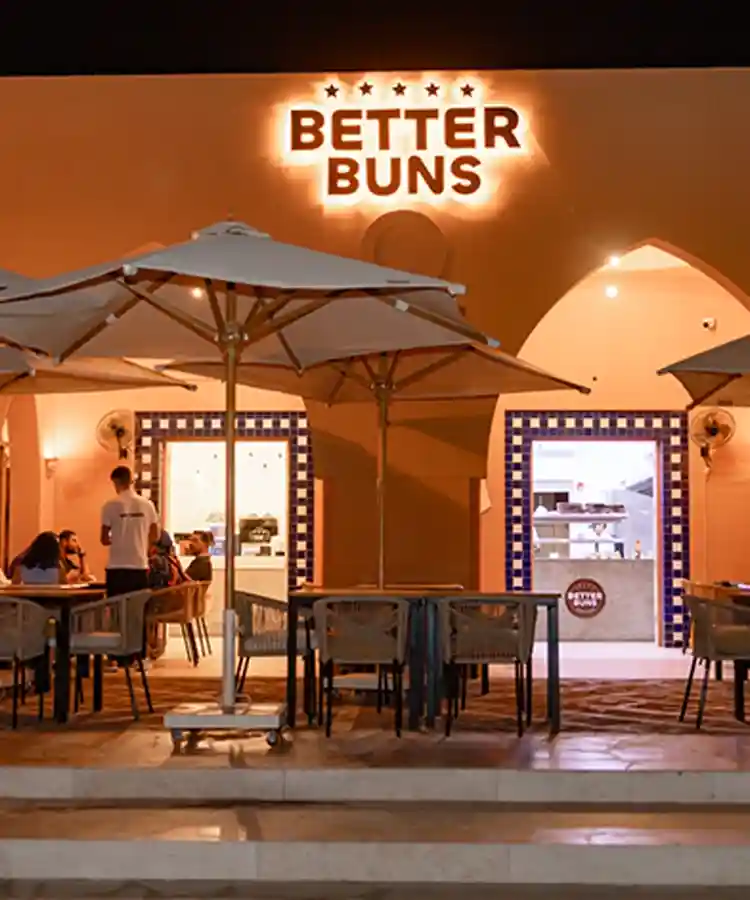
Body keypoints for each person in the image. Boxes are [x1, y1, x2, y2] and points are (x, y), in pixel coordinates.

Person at [100, 465, 159, 597]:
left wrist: (119, 539)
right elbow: (155, 535)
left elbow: (104, 539)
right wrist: (144, 545)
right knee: (137, 605)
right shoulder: (147, 505)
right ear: (132, 481)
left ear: (115, 482)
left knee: (116, 606)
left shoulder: (109, 506)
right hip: (139, 565)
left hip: (116, 566)